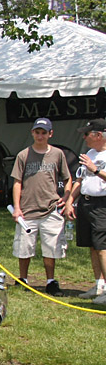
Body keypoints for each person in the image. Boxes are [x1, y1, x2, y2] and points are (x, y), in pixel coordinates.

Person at [11, 118, 71, 295]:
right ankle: (23, 279)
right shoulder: (23, 155)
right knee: (24, 247)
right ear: (32, 133)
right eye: (37, 132)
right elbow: (17, 182)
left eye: (44, 133)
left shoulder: (57, 154)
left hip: (51, 208)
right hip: (27, 209)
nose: (40, 136)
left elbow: (68, 178)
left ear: (50, 134)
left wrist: (66, 197)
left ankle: (51, 281)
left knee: (51, 247)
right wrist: (17, 207)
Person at [64, 118, 106, 304]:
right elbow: (80, 180)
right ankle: (99, 284)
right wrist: (70, 201)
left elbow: (95, 173)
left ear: (99, 135)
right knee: (92, 245)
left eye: (87, 133)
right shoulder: (89, 152)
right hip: (86, 204)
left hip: (102, 205)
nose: (84, 136)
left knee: (102, 247)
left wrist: (95, 169)